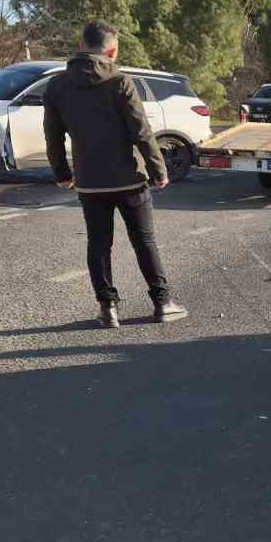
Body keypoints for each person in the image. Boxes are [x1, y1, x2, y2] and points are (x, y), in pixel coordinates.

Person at [44, 22, 187, 328]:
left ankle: (108, 308)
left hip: (89, 181)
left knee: (98, 243)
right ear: (112, 51)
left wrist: (62, 172)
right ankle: (162, 303)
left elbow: (53, 136)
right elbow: (141, 132)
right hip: (129, 178)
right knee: (144, 241)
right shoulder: (120, 81)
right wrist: (157, 169)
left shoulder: (57, 86)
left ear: (81, 46)